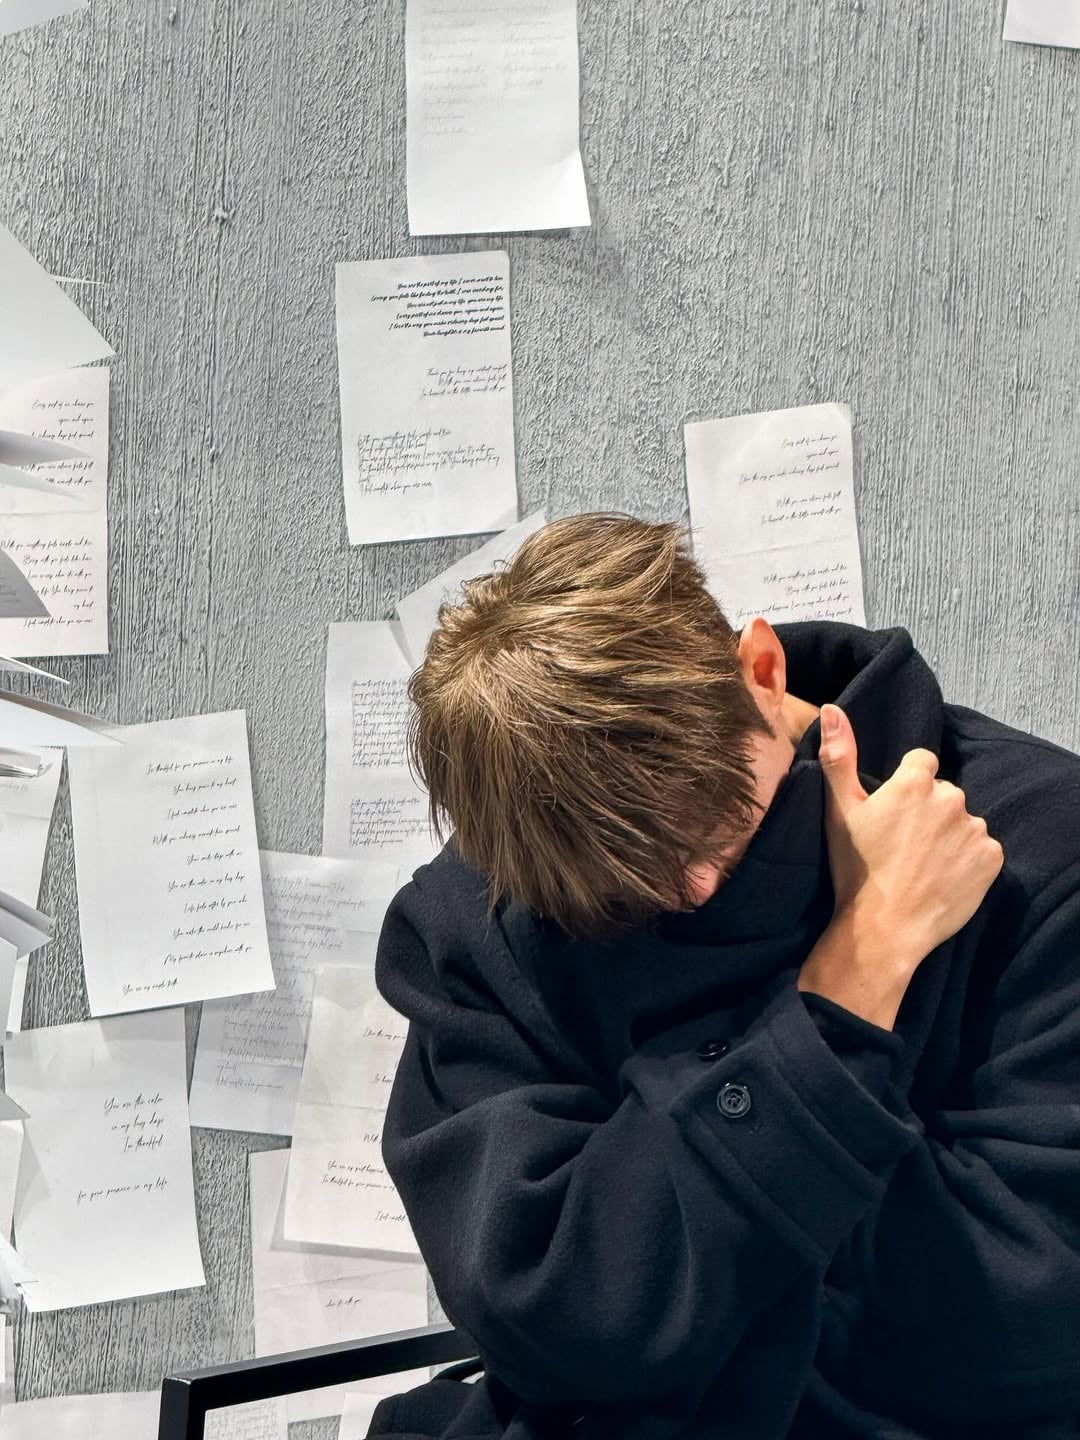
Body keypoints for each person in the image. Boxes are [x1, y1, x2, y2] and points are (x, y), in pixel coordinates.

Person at [368, 513, 1080, 1440]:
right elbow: (548, 1315)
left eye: (715, 820)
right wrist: (853, 979)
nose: (695, 887)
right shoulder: (480, 920)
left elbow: (1032, 1313)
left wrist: (664, 1247)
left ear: (762, 669)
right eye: (624, 894)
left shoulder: (1040, 846)